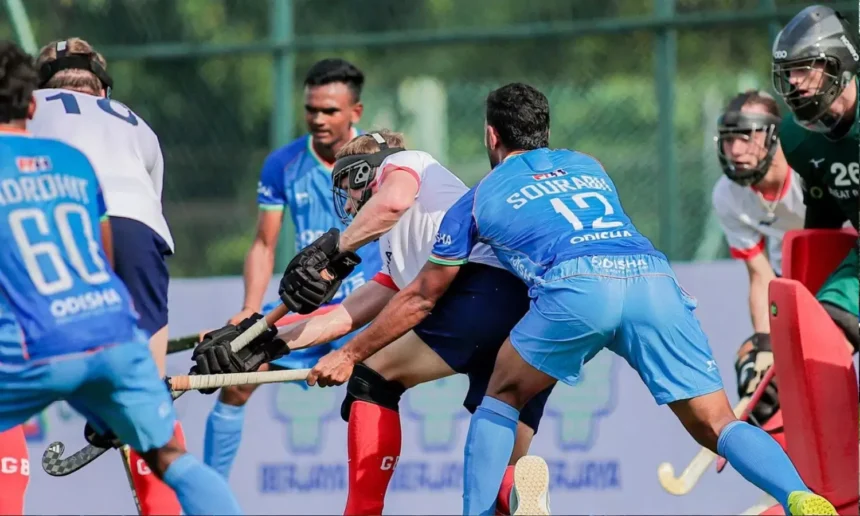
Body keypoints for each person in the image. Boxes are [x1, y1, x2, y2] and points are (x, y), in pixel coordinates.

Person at [300, 82, 837, 515]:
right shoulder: (589, 164)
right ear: (546, 130)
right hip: (652, 278)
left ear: (492, 137)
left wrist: (349, 353)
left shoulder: (479, 196)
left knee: (501, 397)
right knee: (720, 424)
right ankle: (800, 496)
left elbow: (422, 296)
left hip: (576, 289)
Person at [192, 130, 554, 516]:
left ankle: (361, 511)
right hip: (531, 314)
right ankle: (516, 490)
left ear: (366, 175)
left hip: (481, 293)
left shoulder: (405, 164)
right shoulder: (396, 246)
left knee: (371, 377)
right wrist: (269, 342)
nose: (347, 202)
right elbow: (346, 314)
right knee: (502, 469)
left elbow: (393, 202)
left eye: (348, 188)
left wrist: (337, 247)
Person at [0, 40, 242, 516]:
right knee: (165, 450)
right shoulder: (96, 148)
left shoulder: (33, 139)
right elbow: (112, 245)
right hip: (111, 314)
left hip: (34, 334)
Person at [201, 58, 382, 479]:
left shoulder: (381, 163)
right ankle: (207, 497)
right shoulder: (282, 164)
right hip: (307, 308)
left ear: (355, 112)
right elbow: (264, 245)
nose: (318, 119)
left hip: (364, 309)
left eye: (330, 111)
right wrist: (249, 309)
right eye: (311, 109)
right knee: (237, 376)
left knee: (372, 396)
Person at [711, 90, 805, 431]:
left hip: (843, 274)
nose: (735, 150)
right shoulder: (727, 194)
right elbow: (759, 273)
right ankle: (790, 479)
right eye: (729, 139)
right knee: (757, 373)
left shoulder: (808, 167)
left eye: (746, 137)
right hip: (793, 283)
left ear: (773, 136)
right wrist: (766, 343)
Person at [770, 4, 859, 353]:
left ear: (837, 60)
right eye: (788, 71)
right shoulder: (797, 138)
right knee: (820, 336)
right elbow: (824, 217)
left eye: (804, 68)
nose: (793, 81)